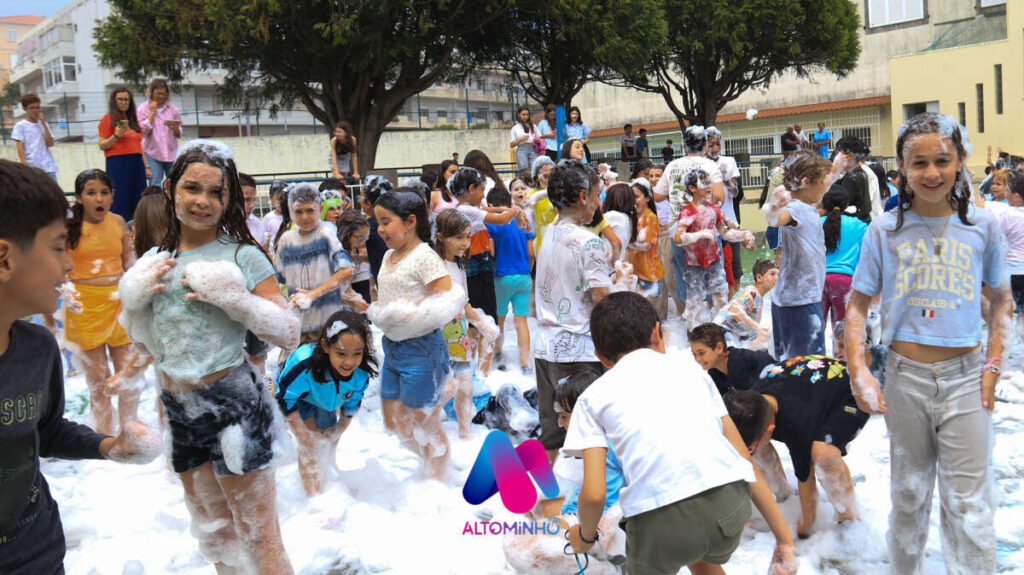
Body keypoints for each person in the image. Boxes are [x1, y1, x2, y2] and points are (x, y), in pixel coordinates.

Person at [117, 140, 299, 572]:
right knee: (216, 537)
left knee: (259, 539)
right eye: (192, 188)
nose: (202, 201)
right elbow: (146, 341)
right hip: (180, 410)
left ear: (228, 199)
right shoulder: (153, 261)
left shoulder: (242, 256)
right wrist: (135, 297)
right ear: (170, 189)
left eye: (215, 192)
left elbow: (288, 331)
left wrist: (234, 299)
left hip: (234, 406)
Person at [845, 113, 1009, 574]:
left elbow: (1000, 303)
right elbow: (857, 307)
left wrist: (993, 364)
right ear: (901, 166)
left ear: (960, 162)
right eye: (919, 163)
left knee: (970, 508)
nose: (932, 173)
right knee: (909, 498)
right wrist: (859, 372)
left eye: (943, 160)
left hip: (966, 380)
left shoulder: (983, 226)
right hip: (905, 379)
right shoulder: (884, 231)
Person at [0, 159, 162, 575]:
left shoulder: (36, 348)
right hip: (86, 312)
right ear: (4, 259)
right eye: (57, 247)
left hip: (39, 550)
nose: (68, 263)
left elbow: (45, 429)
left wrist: (109, 446)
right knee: (98, 380)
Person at [564, 292, 797, 575]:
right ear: (657, 333)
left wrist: (584, 537)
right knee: (697, 550)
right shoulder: (694, 371)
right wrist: (784, 540)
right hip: (729, 511)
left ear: (600, 356)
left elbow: (594, 494)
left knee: (676, 540)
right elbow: (744, 461)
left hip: (661, 527)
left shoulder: (592, 398)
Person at [368, 188, 464, 479]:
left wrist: (413, 318)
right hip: (394, 347)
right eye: (378, 222)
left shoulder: (424, 256)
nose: (380, 229)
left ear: (410, 221)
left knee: (424, 422)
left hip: (422, 347)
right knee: (395, 420)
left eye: (386, 222)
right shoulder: (388, 256)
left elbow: (449, 301)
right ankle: (428, 468)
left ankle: (437, 481)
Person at [725, 354, 870, 538]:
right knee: (755, 446)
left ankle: (849, 520)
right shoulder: (750, 405)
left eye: (750, 449)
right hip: (811, 381)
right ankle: (782, 493)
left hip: (854, 389)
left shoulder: (797, 425)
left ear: (771, 427)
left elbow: (806, 478)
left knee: (823, 455)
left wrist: (804, 528)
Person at [502, 370, 627, 575]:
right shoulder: (592, 440)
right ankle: (570, 561)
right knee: (533, 509)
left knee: (516, 546)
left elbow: (638, 484)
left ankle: (606, 570)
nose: (559, 423)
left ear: (585, 412)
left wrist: (610, 521)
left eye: (564, 416)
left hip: (595, 528)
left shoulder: (612, 444)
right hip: (580, 516)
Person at [534, 160, 617, 463]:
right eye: (597, 196)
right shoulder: (588, 242)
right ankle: (587, 502)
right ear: (583, 196)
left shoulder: (548, 232)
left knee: (553, 432)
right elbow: (602, 300)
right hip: (579, 353)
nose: (598, 204)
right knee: (590, 437)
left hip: (545, 347)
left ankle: (547, 499)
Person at [63, 169, 138, 436]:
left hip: (117, 303)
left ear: (112, 196)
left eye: (104, 192)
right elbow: (58, 268)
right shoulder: (68, 227)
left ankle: (130, 432)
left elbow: (130, 265)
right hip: (83, 307)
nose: (99, 198)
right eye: (91, 192)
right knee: (98, 379)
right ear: (80, 198)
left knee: (128, 374)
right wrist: (64, 292)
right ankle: (104, 438)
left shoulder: (118, 222)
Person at [277, 310, 377, 495]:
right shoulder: (303, 364)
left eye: (357, 353)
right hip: (298, 394)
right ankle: (313, 498)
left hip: (326, 398)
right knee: (311, 445)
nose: (349, 362)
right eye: (341, 353)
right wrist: (303, 434)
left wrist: (339, 430)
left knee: (326, 439)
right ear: (325, 346)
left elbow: (351, 404)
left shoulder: (360, 373)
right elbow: (284, 398)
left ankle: (325, 480)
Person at [433, 209, 499, 439]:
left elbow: (465, 303)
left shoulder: (460, 265)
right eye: (459, 237)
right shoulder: (434, 266)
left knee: (465, 387)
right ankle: (421, 425)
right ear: (440, 236)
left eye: (467, 236)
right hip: (438, 338)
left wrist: (482, 323)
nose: (465, 243)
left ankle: (465, 435)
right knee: (446, 388)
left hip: (458, 337)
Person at [763, 149, 832, 359]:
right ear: (806, 182)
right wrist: (773, 206)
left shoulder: (807, 207)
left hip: (799, 297)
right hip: (798, 302)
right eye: (823, 182)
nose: (826, 187)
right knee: (804, 366)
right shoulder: (794, 209)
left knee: (797, 364)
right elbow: (776, 219)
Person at [654, 125, 725, 321]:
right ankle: (716, 322)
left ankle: (691, 326)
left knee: (685, 277)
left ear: (684, 146)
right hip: (706, 232)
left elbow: (658, 195)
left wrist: (680, 199)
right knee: (713, 276)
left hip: (679, 233)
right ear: (704, 147)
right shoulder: (710, 166)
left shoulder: (672, 166)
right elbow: (719, 196)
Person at [274, 183, 357, 343]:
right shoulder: (286, 240)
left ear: (319, 209)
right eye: (298, 212)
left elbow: (347, 270)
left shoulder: (325, 234)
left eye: (310, 210)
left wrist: (313, 294)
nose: (304, 217)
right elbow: (278, 278)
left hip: (326, 324)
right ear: (291, 212)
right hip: (298, 325)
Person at [674, 169, 755, 331]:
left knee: (721, 298)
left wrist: (743, 234)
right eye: (704, 182)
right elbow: (678, 238)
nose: (709, 186)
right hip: (694, 265)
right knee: (694, 303)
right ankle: (693, 335)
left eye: (709, 181)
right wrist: (699, 234)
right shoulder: (688, 211)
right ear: (692, 188)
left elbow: (725, 233)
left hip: (715, 262)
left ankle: (720, 331)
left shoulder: (714, 210)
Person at [451, 167, 521, 328]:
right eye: (481, 190)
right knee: (485, 317)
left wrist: (502, 208)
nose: (483, 195)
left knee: (480, 315)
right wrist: (516, 209)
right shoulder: (467, 210)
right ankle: (487, 348)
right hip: (477, 269)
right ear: (471, 189)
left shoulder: (465, 208)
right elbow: (503, 220)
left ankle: (483, 347)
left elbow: (490, 210)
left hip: (476, 267)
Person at [485, 187, 534, 375]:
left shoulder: (491, 224)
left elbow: (491, 252)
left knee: (500, 319)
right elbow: (531, 253)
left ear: (491, 205)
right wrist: (527, 271)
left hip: (501, 276)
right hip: (523, 276)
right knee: (522, 321)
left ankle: (498, 355)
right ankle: (524, 364)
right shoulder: (521, 219)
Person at [821, 187, 868, 336]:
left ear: (824, 205)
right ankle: (841, 359)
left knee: (815, 331)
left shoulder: (816, 223)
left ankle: (813, 359)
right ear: (847, 204)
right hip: (845, 281)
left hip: (817, 280)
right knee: (842, 332)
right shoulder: (860, 225)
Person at [97, 86, 149, 220]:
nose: (123, 102)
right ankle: (120, 228)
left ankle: (137, 229)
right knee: (120, 197)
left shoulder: (133, 120)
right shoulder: (107, 119)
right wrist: (116, 135)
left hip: (136, 162)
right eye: (120, 99)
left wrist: (146, 166)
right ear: (114, 101)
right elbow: (102, 145)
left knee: (139, 197)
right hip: (118, 162)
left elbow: (139, 145)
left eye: (126, 99)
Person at [705, 126, 744, 295]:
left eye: (717, 144)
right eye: (710, 144)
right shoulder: (699, 164)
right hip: (708, 225)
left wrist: (726, 180)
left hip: (731, 223)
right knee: (714, 270)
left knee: (735, 268)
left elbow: (736, 193)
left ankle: (734, 300)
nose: (714, 148)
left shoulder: (728, 162)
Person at [713, 259, 777, 350]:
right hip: (721, 331)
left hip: (729, 335)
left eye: (778, 274)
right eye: (772, 274)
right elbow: (734, 309)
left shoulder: (759, 299)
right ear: (759, 278)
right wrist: (758, 327)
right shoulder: (751, 292)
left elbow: (749, 331)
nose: (777, 278)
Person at [136, 78, 182, 186]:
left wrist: (174, 127)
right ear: (151, 92)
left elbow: (179, 132)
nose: (161, 97)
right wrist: (152, 113)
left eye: (164, 94)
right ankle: (155, 203)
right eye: (158, 93)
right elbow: (143, 130)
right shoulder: (142, 109)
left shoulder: (172, 109)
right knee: (155, 183)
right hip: (153, 153)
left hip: (171, 153)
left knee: (175, 183)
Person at [627, 178, 664, 306]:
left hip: (650, 274)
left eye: (636, 197)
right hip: (637, 272)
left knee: (649, 314)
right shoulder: (633, 217)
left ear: (648, 198)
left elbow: (646, 246)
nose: (633, 201)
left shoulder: (651, 218)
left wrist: (626, 244)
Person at [12, 93, 57, 180]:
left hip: (48, 168)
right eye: (32, 108)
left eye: (38, 108)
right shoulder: (20, 125)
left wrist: (43, 123)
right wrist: (24, 166)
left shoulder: (44, 124)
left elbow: (50, 143)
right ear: (25, 109)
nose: (35, 110)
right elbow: (20, 147)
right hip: (32, 169)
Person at [337, 209, 374, 307]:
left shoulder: (354, 250)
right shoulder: (336, 252)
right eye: (360, 239)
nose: (363, 244)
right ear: (346, 235)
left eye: (366, 238)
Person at [601, 182, 637, 263]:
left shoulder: (614, 216)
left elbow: (593, 221)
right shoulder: (628, 218)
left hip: (608, 264)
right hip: (616, 264)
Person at [510, 106, 541, 171]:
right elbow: (511, 145)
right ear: (519, 115)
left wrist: (537, 140)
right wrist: (520, 139)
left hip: (533, 149)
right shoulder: (515, 128)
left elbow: (539, 137)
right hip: (522, 149)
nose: (525, 117)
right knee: (524, 170)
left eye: (527, 115)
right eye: (523, 115)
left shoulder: (533, 126)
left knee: (535, 169)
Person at [262, 180, 286, 250]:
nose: (282, 202)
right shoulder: (268, 218)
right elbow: (265, 239)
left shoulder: (294, 216)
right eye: (278, 199)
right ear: (271, 199)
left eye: (284, 198)